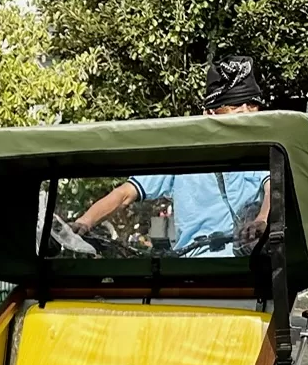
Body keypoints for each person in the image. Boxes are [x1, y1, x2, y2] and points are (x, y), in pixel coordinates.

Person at [71, 55, 272, 254]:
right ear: (209, 113)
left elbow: (274, 188)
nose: (246, 112)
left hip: (249, 268)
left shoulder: (260, 150)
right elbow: (125, 194)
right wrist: (83, 223)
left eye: (252, 104)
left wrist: (262, 220)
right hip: (193, 269)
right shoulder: (182, 154)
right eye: (234, 106)